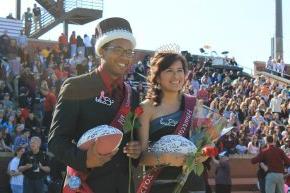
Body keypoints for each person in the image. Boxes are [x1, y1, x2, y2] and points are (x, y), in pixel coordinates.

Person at [48, 17, 142, 193]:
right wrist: (85, 159)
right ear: (102, 51)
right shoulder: (76, 86)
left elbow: (132, 139)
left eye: (129, 51)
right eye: (118, 49)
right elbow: (56, 141)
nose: (125, 56)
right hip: (85, 185)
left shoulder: (133, 94)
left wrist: (136, 150)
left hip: (121, 187)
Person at [138, 51, 205, 193]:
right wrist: (165, 157)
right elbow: (141, 157)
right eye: (169, 71)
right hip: (159, 184)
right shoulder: (146, 108)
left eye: (180, 70)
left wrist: (204, 153)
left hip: (192, 183)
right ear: (157, 76)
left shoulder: (193, 104)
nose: (176, 76)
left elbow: (202, 142)